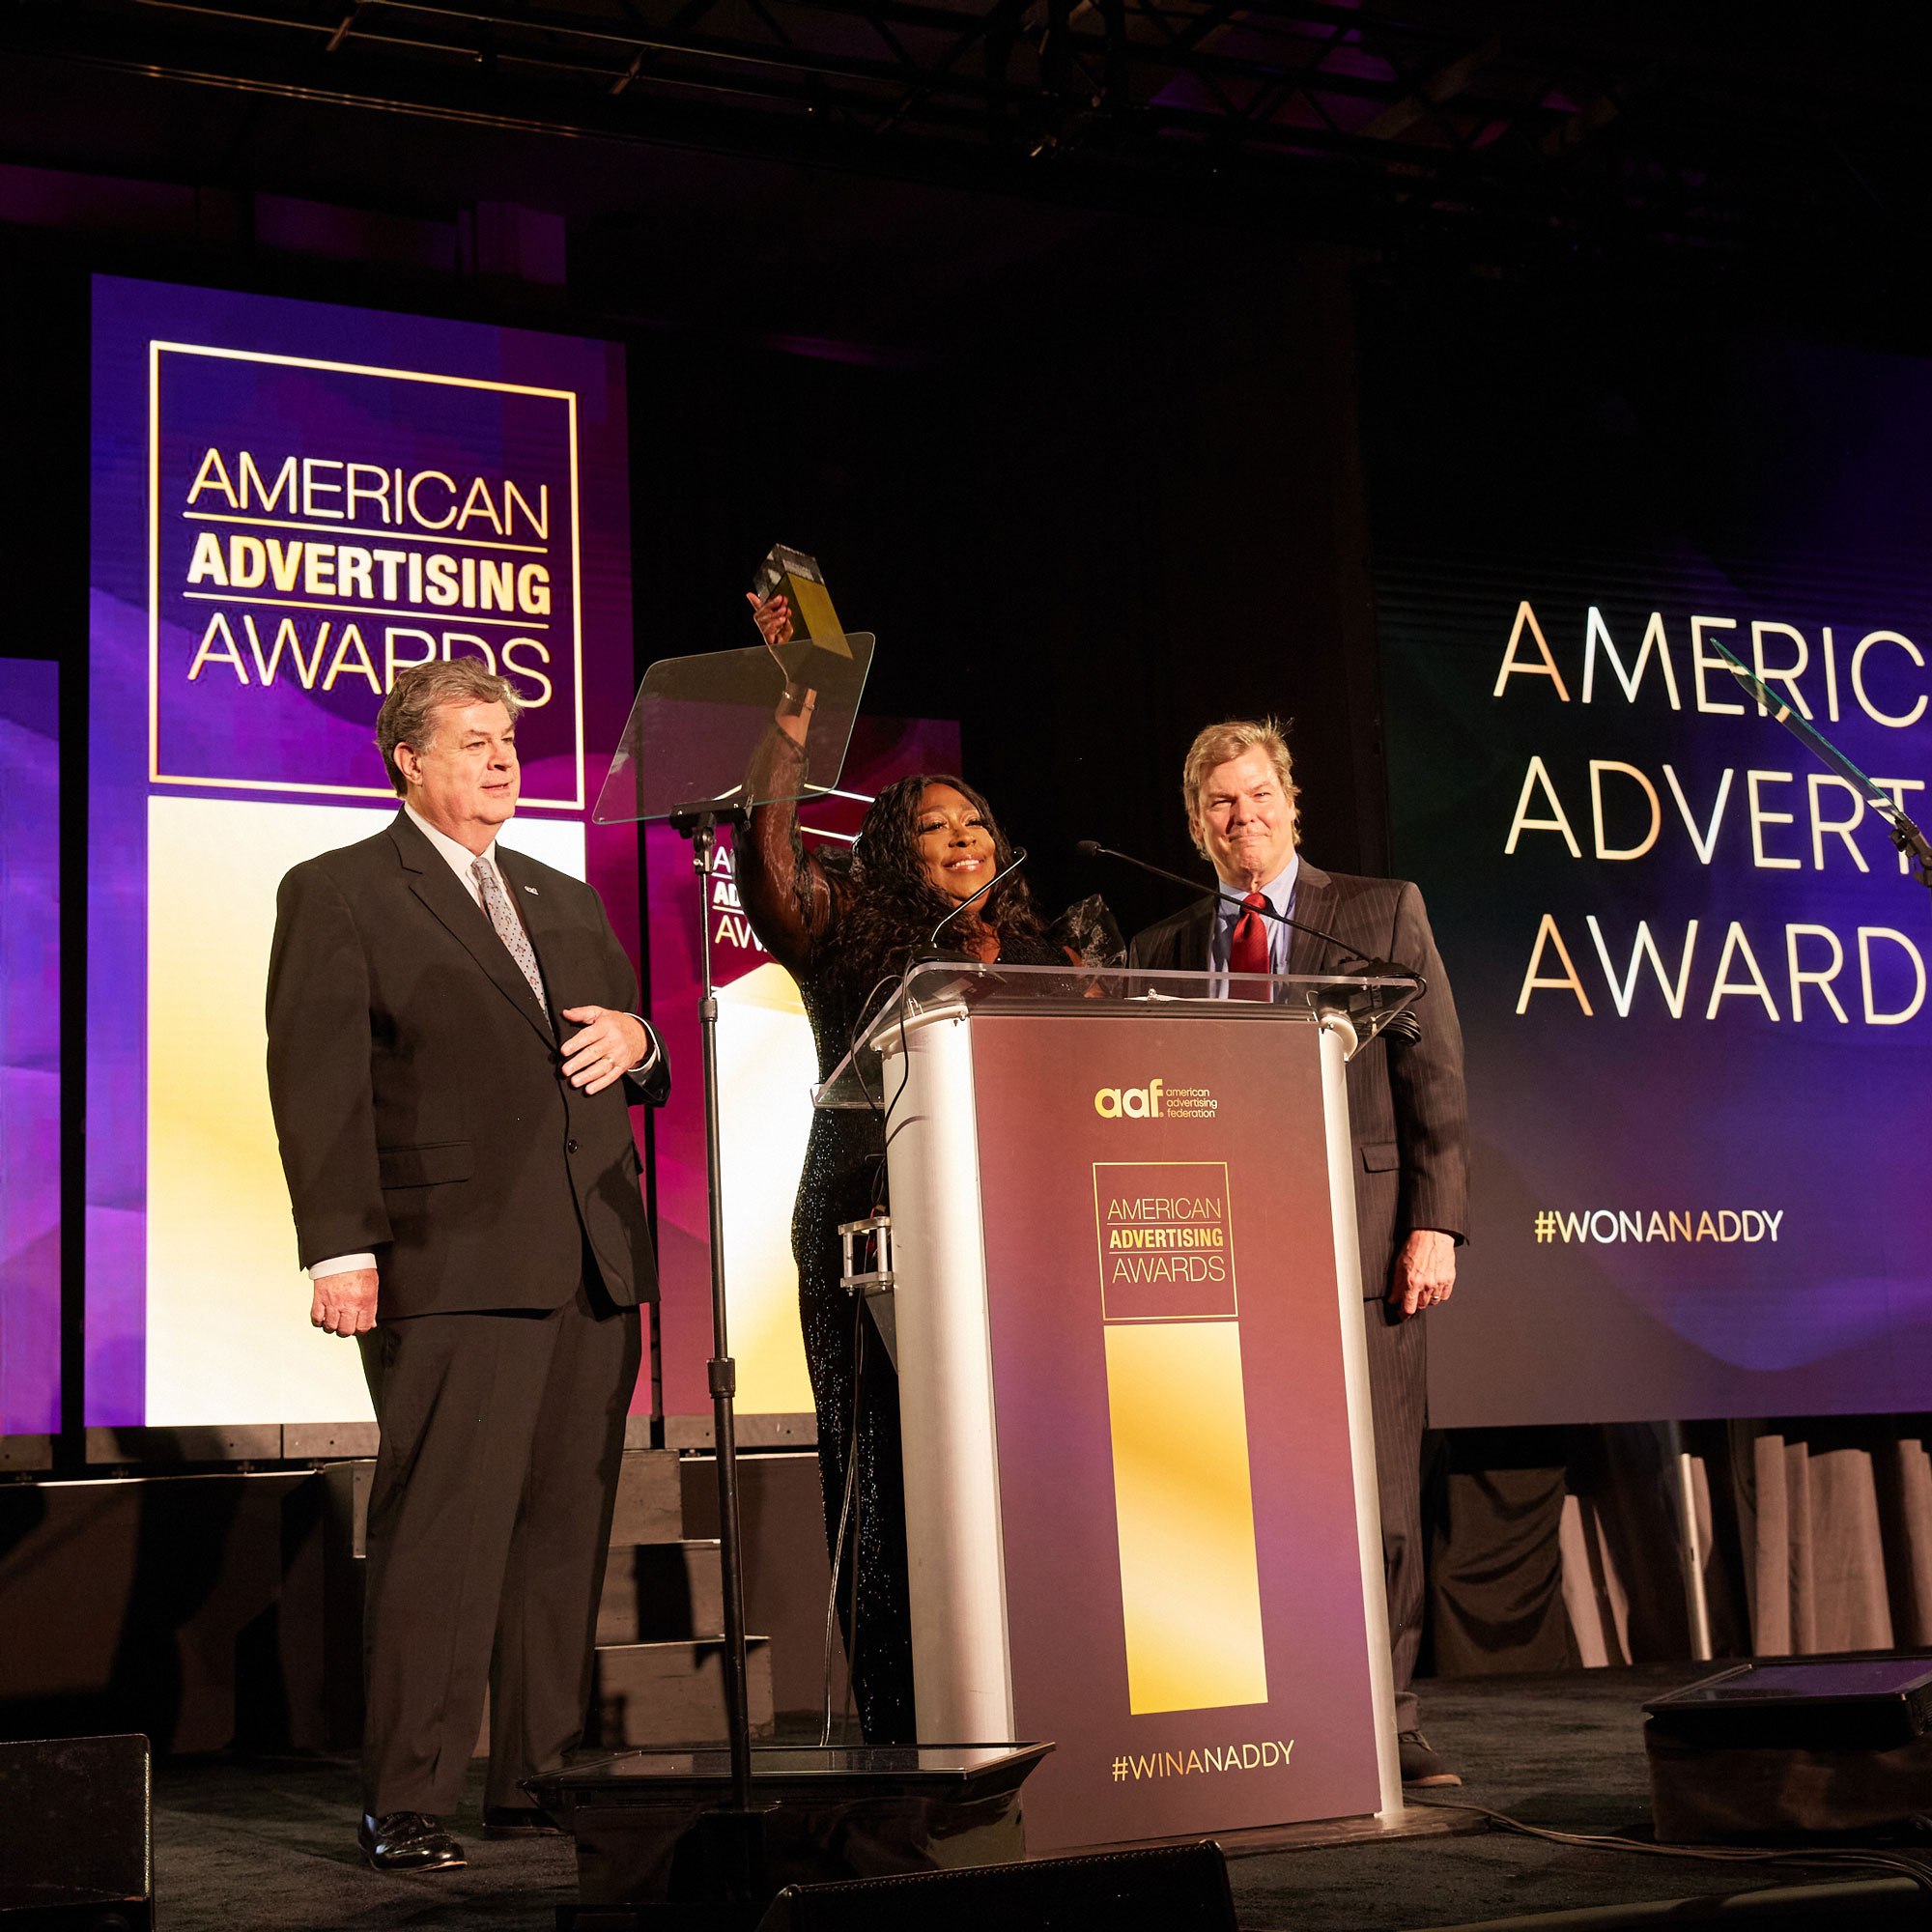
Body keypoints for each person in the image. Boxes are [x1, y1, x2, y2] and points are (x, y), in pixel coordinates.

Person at [265, 657, 669, 1872]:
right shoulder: (340, 890)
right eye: (476, 740)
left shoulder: (559, 894)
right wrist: (341, 1243)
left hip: (592, 1260)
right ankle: (410, 1794)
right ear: (410, 758)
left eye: (509, 740)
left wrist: (639, 1037)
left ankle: (533, 1776)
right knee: (441, 1535)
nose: (503, 759)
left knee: (560, 1533)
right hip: (451, 1263)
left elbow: (624, 1047)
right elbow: (317, 1079)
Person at [735, 589, 1120, 1744]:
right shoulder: (850, 929)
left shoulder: (1059, 944)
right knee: (882, 1467)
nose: (962, 841)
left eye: (975, 825)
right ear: (891, 849)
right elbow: (766, 863)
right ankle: (905, 1716)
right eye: (934, 828)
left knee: (1034, 1460)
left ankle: (1047, 1690)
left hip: (1030, 1229)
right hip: (871, 1224)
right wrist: (791, 723)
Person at [1127, 716, 1468, 1787]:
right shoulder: (1165, 948)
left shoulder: (1376, 910)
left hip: (1365, 1237)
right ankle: (1274, 1702)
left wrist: (1434, 1219)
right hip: (1226, 1249)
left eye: (1259, 792)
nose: (1245, 816)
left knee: (1376, 1475)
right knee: (1247, 1479)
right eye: (1221, 801)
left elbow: (1435, 1080)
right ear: (1196, 823)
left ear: (1291, 799)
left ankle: (1389, 1709)